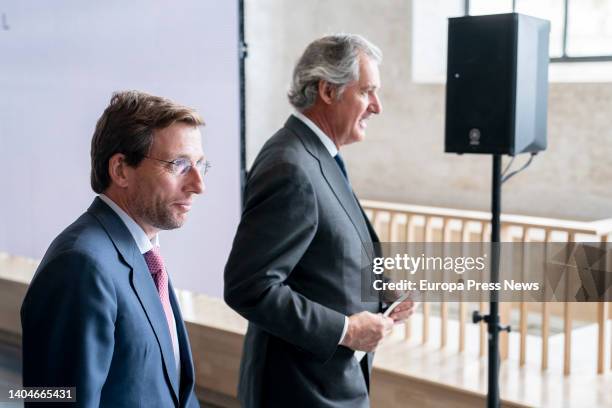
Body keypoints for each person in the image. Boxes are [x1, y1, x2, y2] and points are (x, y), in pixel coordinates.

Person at [224, 34, 415, 408]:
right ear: (328, 90)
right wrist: (346, 331)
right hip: (298, 391)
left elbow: (322, 258)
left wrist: (381, 294)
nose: (377, 106)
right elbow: (250, 287)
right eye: (367, 92)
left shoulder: (317, 155)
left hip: (326, 384)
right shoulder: (290, 166)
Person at [21, 90, 207, 407]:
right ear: (120, 169)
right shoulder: (79, 265)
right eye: (179, 165)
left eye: (201, 165)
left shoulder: (145, 255)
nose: (198, 185)